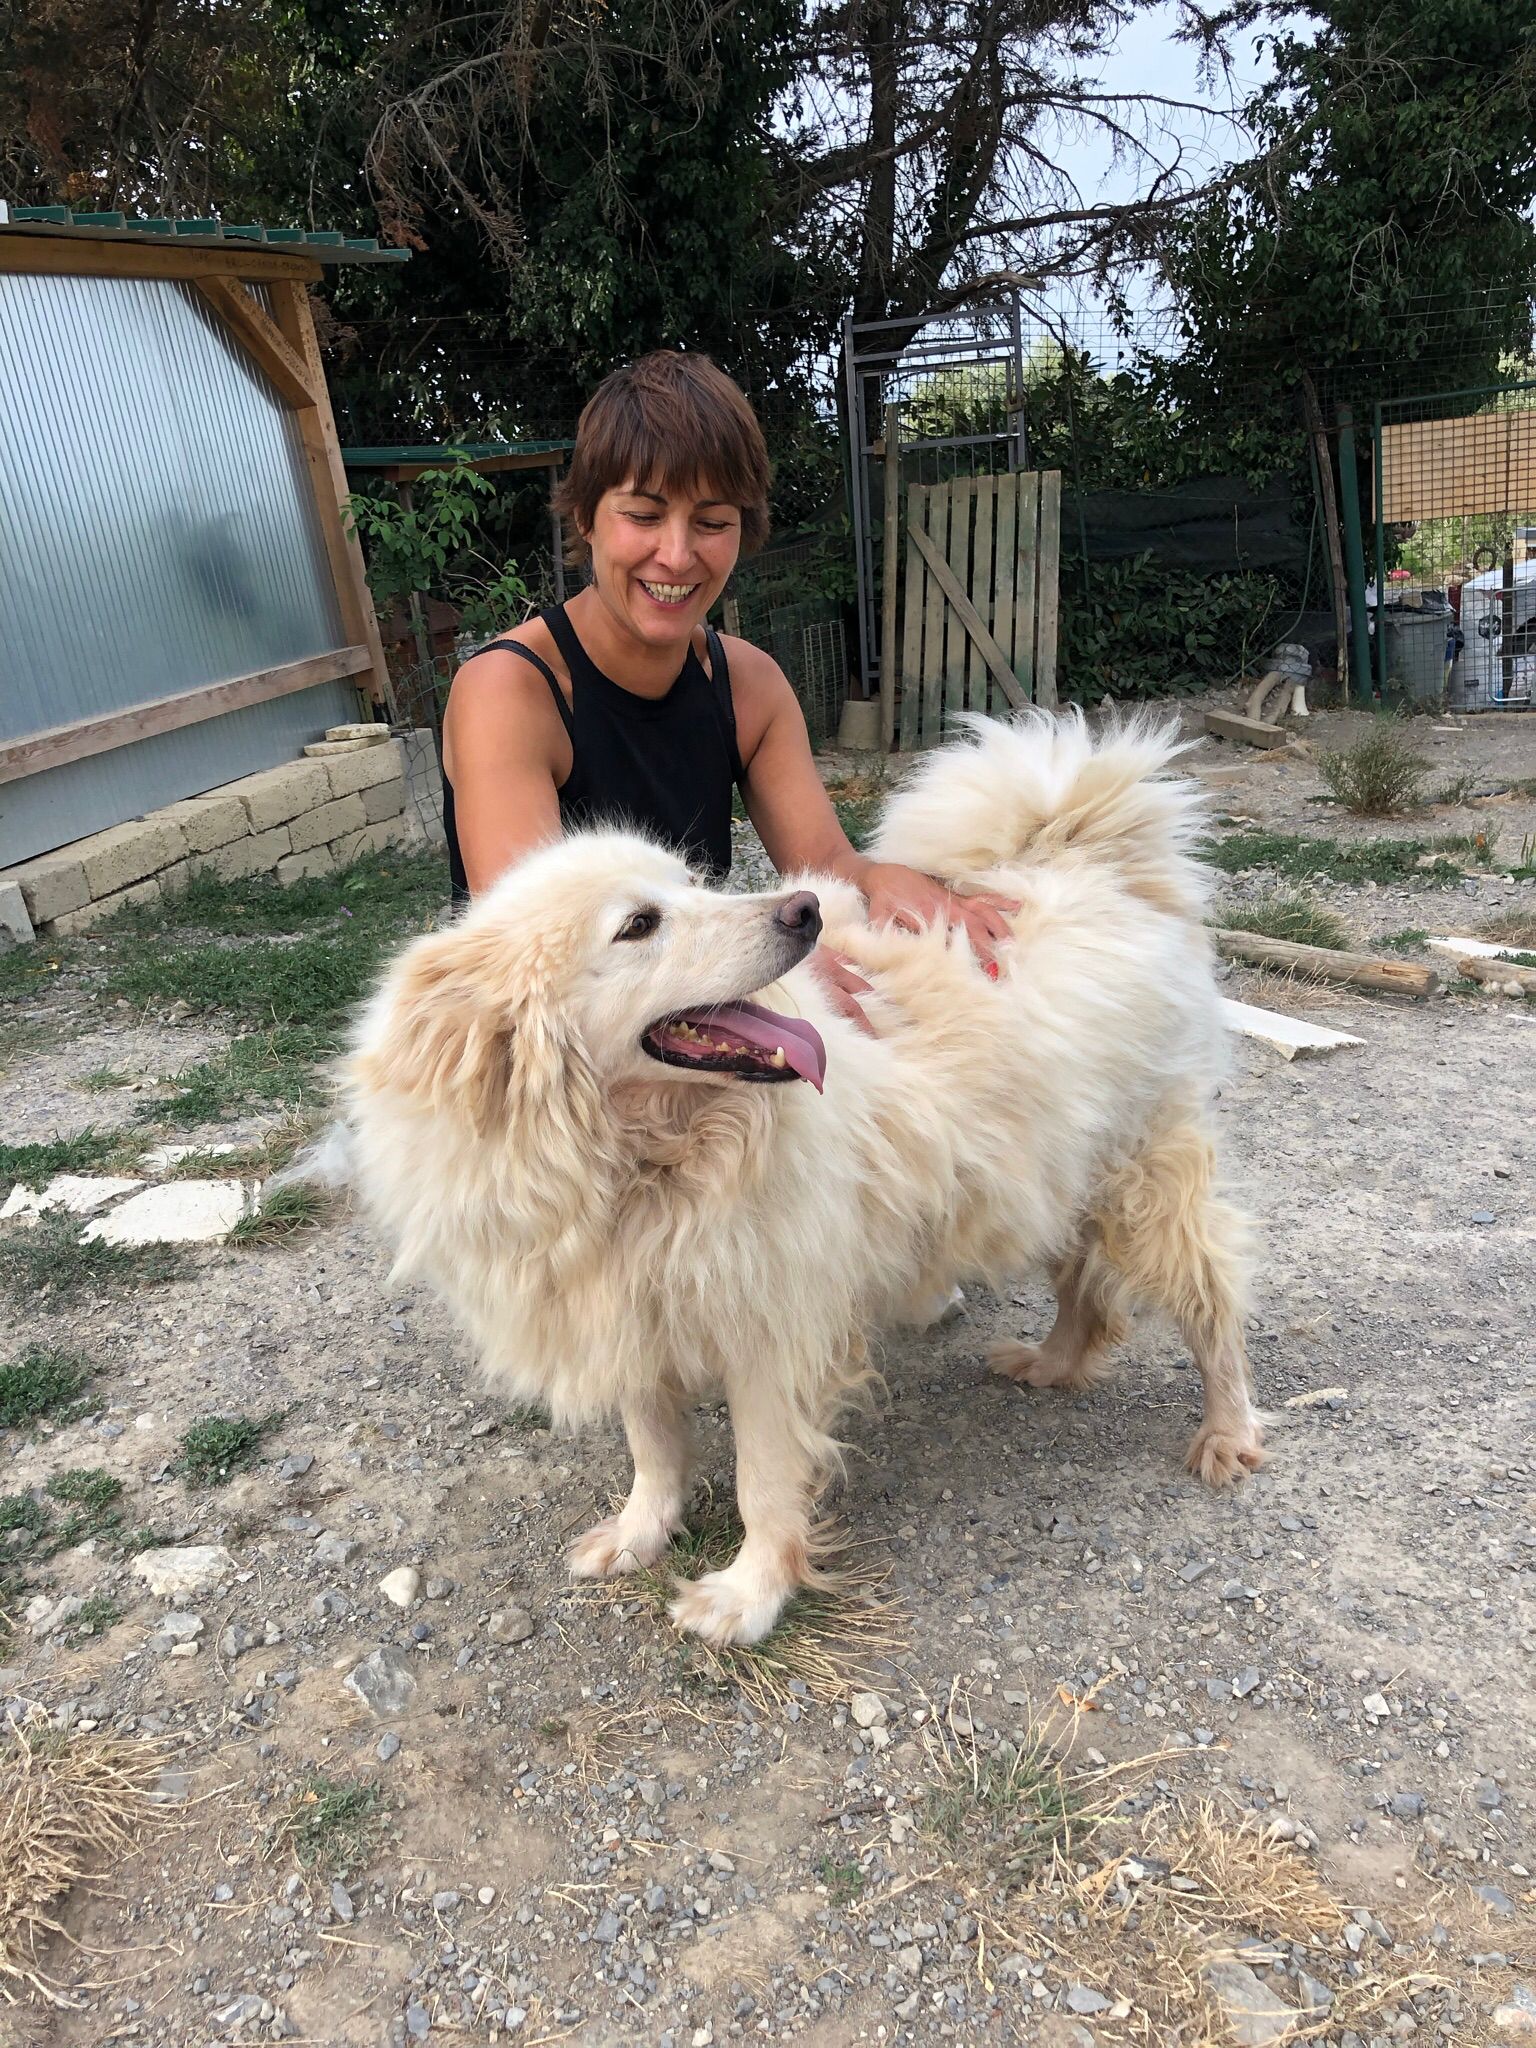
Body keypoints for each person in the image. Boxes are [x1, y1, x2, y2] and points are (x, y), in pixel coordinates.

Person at [441, 350, 1016, 1024]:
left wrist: (880, 879)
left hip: (682, 1003)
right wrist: (756, 970)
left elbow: (826, 860)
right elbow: (536, 946)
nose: (677, 555)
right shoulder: (508, 691)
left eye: (712, 523)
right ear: (586, 518)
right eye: (644, 515)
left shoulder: (749, 683)